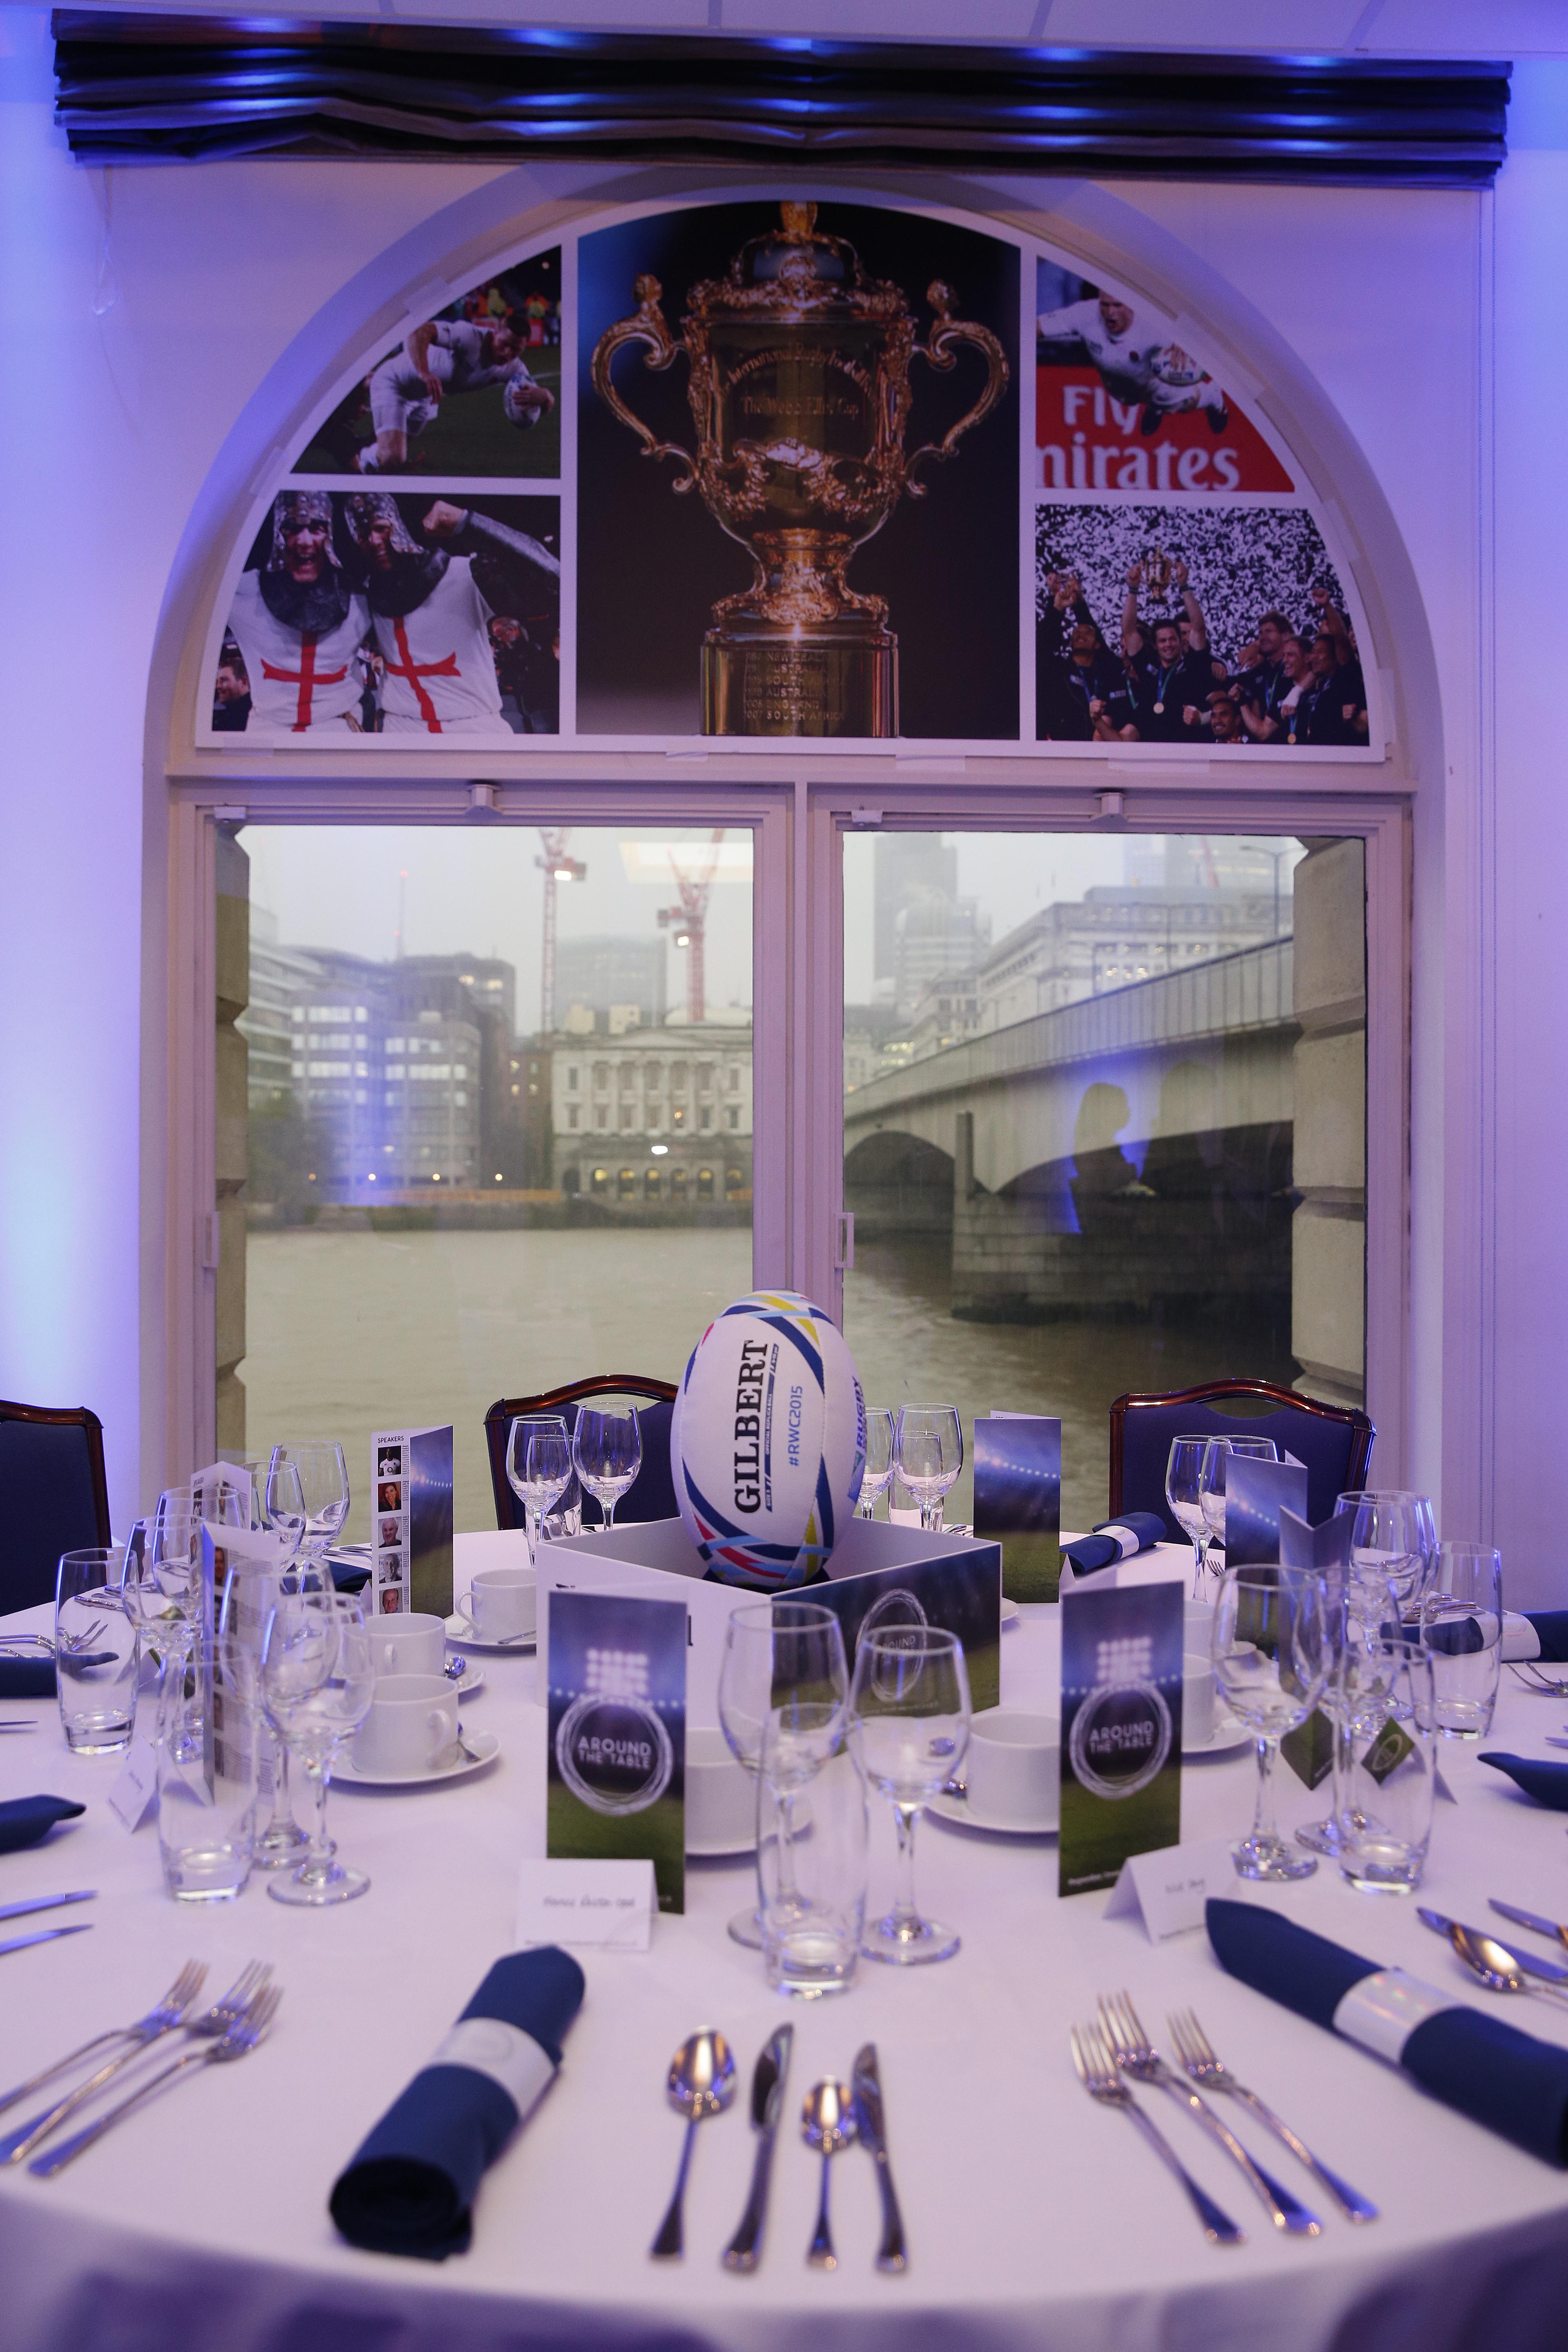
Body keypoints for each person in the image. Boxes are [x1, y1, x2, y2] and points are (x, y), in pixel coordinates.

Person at [344, 494, 561, 739]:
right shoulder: (370, 591)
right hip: (402, 734)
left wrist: (467, 522)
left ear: (397, 525)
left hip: (474, 732)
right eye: (363, 535)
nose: (374, 541)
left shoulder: (463, 574)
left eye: (381, 528)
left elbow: (553, 577)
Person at [223, 492, 370, 736]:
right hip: (268, 730)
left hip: (338, 730)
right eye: (292, 528)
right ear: (278, 533)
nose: (304, 541)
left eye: (317, 529)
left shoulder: (360, 598)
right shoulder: (242, 593)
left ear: (330, 532)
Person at [356, 316, 555, 474]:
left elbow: (543, 404)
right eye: (504, 344)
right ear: (495, 333)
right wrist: (424, 373)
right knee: (393, 460)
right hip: (395, 383)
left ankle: (375, 452)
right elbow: (420, 332)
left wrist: (545, 397)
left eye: (516, 350)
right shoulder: (470, 337)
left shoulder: (515, 368)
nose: (507, 353)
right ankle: (362, 457)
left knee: (395, 459)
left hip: (426, 398)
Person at [1036, 288, 1227, 431]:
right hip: (1118, 386)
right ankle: (1155, 409)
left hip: (1154, 385)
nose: (1110, 313)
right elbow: (1038, 326)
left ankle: (1214, 397)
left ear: (1131, 305)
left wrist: (1185, 342)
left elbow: (1201, 330)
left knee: (1185, 403)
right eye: (1105, 304)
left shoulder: (1155, 325)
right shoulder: (1085, 314)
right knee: (1130, 399)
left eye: (1117, 305)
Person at [1119, 563, 1218, 742]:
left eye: (1173, 639)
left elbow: (1199, 627)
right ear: (1156, 645)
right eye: (1163, 641)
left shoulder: (1193, 664)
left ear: (1181, 641)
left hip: (1185, 748)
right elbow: (1129, 631)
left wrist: (1184, 586)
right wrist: (1133, 589)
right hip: (1151, 747)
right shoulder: (1147, 665)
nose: (1168, 645)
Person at [1036, 570, 1133, 741]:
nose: (1081, 634)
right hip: (1065, 752)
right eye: (1077, 633)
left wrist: (1079, 602)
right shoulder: (1058, 670)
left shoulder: (1107, 672)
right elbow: (1044, 645)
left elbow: (1094, 632)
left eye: (1087, 633)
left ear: (1097, 645)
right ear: (1071, 644)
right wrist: (1057, 609)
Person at [211, 647, 251, 732]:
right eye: (217, 682)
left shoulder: (256, 716)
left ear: (244, 682)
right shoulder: (228, 715)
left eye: (224, 680)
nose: (218, 686)